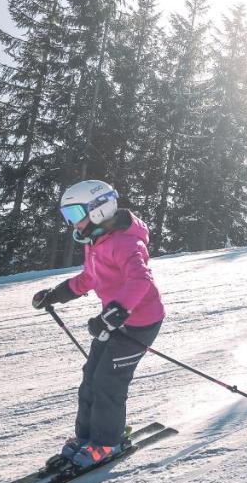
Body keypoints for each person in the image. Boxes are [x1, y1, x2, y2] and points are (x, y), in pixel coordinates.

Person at [31, 180, 166, 468]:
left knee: (109, 382)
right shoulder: (97, 242)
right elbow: (89, 278)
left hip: (140, 322)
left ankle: (107, 443)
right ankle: (86, 437)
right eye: (68, 217)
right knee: (91, 374)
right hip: (115, 320)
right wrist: (56, 294)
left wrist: (115, 312)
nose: (73, 224)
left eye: (75, 215)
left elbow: (140, 280)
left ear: (98, 209)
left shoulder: (127, 242)